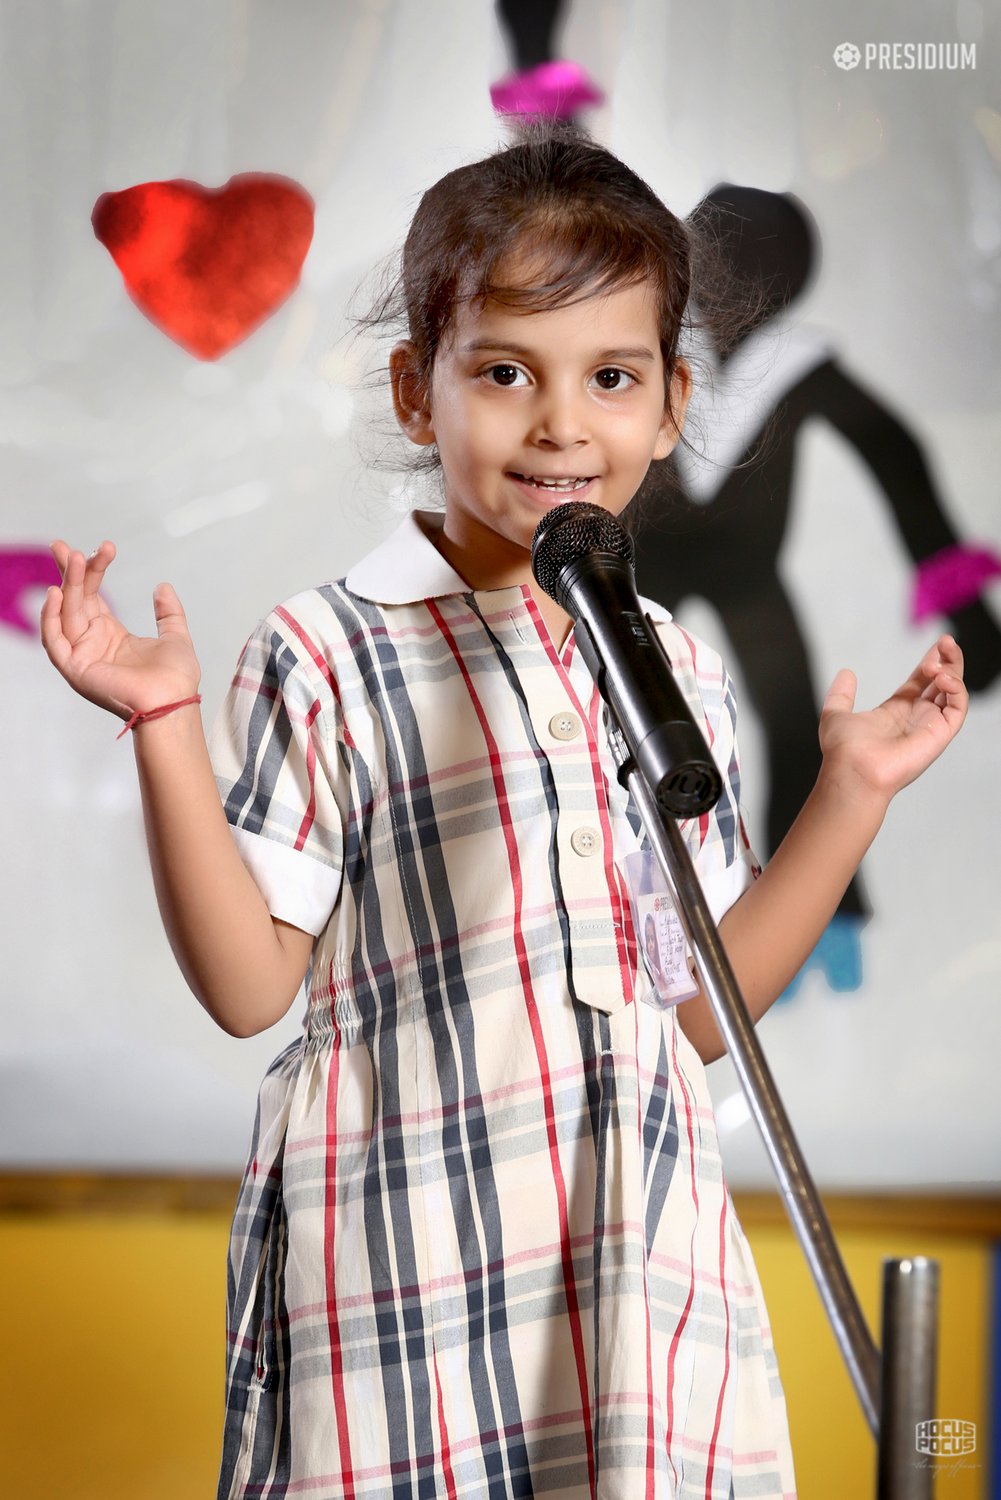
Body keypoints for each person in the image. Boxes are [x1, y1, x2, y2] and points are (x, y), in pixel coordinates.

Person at [41, 128, 968, 1500]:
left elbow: (699, 1009)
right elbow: (248, 987)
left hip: (635, 1283)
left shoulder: (674, 667)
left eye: (609, 377)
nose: (559, 425)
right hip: (404, 1277)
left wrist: (847, 796)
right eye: (501, 374)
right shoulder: (330, 650)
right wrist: (163, 725)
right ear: (419, 393)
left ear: (668, 406)